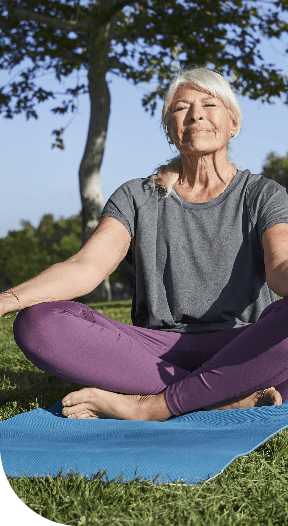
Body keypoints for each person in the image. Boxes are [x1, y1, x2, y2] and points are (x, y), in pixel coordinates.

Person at [2, 67, 288, 422]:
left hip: (243, 347)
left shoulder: (264, 195)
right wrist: (3, 302)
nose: (196, 113)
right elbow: (86, 267)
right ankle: (223, 396)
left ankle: (155, 405)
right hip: (153, 352)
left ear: (233, 123)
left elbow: (281, 266)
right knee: (38, 323)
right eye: (181, 107)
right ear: (170, 130)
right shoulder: (136, 196)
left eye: (209, 103)